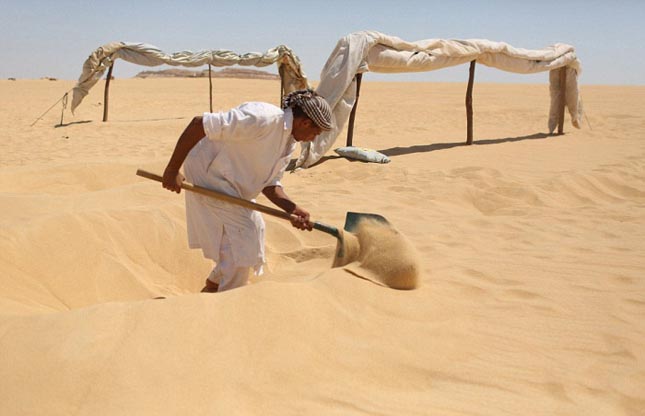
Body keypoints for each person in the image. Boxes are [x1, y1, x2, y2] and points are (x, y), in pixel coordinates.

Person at [161, 89, 333, 293]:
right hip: (208, 172)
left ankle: (214, 284)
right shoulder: (264, 118)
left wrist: (292, 208)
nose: (313, 139)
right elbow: (199, 124)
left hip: (232, 184)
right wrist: (172, 170)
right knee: (243, 238)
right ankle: (227, 297)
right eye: (316, 132)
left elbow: (269, 185)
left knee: (255, 229)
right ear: (305, 122)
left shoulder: (288, 143)